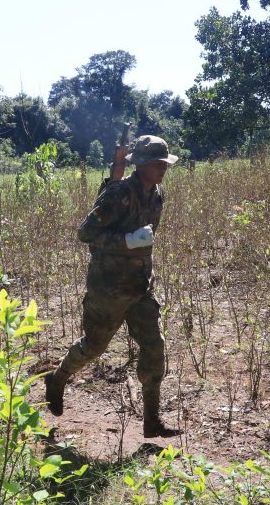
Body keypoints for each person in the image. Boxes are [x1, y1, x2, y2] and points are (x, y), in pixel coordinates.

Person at [45, 135, 183, 439]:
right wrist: (125, 241)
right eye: (157, 164)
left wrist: (138, 247)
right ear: (142, 165)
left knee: (154, 346)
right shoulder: (119, 194)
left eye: (165, 164)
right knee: (95, 346)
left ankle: (151, 421)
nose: (163, 169)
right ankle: (57, 379)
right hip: (108, 288)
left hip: (140, 286)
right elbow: (85, 234)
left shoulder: (157, 194)